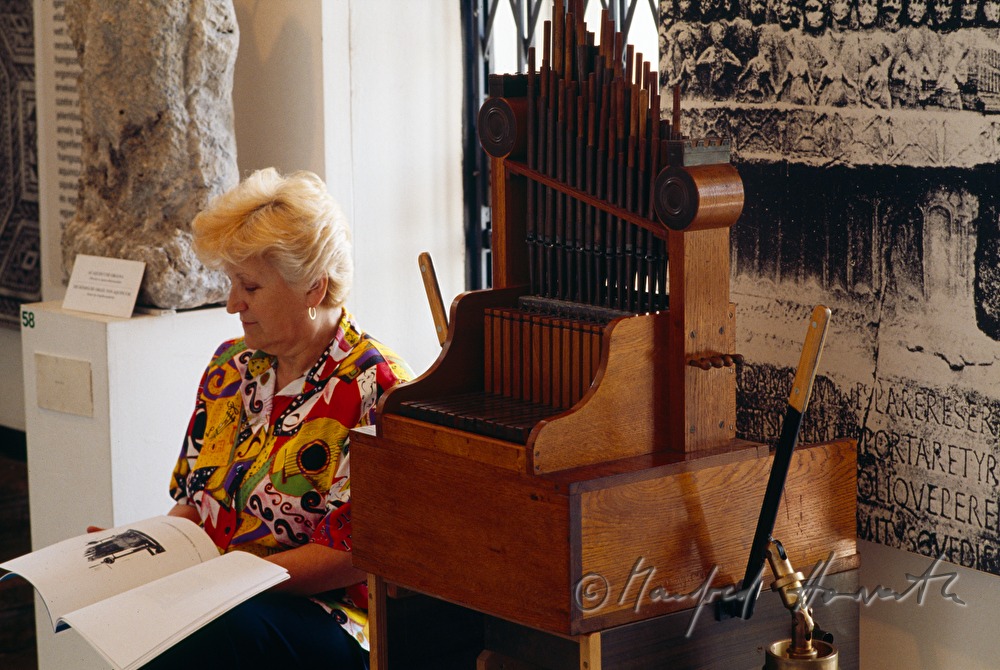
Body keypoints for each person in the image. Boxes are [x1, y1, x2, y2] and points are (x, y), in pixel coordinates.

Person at [146, 168, 412, 668]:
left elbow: (359, 549)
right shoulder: (230, 368)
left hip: (331, 617)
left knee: (213, 631)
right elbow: (193, 502)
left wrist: (225, 583)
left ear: (314, 288)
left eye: (250, 286)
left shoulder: (377, 388)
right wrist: (145, 552)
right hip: (221, 596)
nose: (232, 305)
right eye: (231, 283)